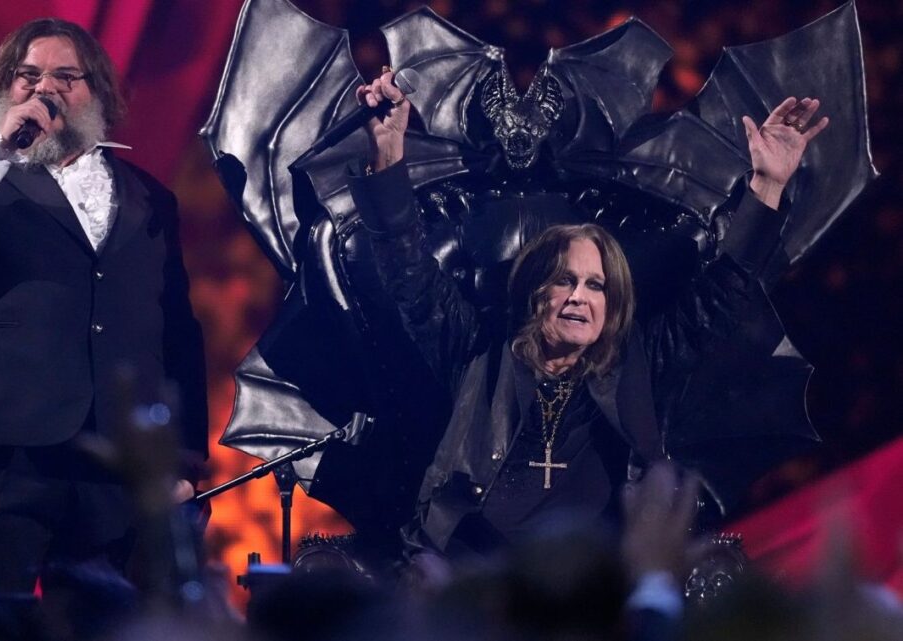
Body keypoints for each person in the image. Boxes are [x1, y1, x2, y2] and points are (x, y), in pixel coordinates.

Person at [347, 70, 827, 557]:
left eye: (596, 285)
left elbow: (724, 293)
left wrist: (768, 184)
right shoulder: (478, 352)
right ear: (535, 292)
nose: (580, 296)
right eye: (564, 280)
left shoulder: (642, 361)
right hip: (473, 569)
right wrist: (388, 154)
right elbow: (408, 273)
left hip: (599, 577)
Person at [0, 18, 208, 593]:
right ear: (3, 89)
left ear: (97, 92)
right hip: (1, 452)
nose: (45, 89)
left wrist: (181, 458)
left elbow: (177, 331)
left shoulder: (149, 197)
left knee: (109, 622)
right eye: (28, 76)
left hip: (115, 462)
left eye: (65, 76)